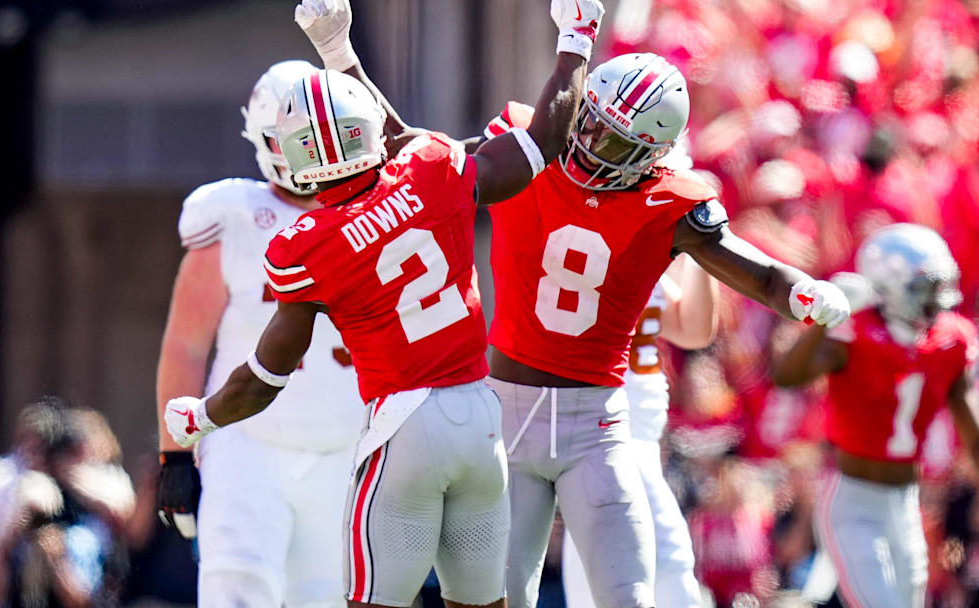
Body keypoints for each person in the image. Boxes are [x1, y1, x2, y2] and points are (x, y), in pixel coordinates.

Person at [319, 30, 850, 605]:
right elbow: (408, 151)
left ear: (652, 155)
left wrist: (805, 295)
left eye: (616, 144)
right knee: (495, 597)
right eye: (590, 122)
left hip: (597, 426)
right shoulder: (526, 150)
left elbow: (760, 272)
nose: (593, 145)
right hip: (507, 416)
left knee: (629, 595)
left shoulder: (670, 201)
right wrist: (339, 53)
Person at [163, 0, 607, 605]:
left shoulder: (307, 245)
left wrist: (203, 418)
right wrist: (576, 38)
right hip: (480, 418)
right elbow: (545, 138)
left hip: (402, 428)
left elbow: (267, 376)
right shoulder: (430, 170)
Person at [154, 59, 362, 608]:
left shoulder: (373, 207)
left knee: (325, 599)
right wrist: (174, 456)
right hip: (247, 445)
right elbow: (186, 343)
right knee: (237, 592)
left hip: (346, 446)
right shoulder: (235, 214)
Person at [772, 223, 979, 608]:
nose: (937, 300)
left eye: (939, 286)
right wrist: (824, 321)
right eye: (924, 289)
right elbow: (787, 376)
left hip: (906, 501)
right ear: (887, 287)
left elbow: (973, 430)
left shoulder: (952, 339)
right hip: (853, 500)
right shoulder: (857, 332)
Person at [562, 257, 718, 608]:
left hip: (634, 437)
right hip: (603, 430)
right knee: (667, 560)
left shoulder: (637, 238)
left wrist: (704, 251)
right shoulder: (589, 243)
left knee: (603, 571)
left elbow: (692, 328)